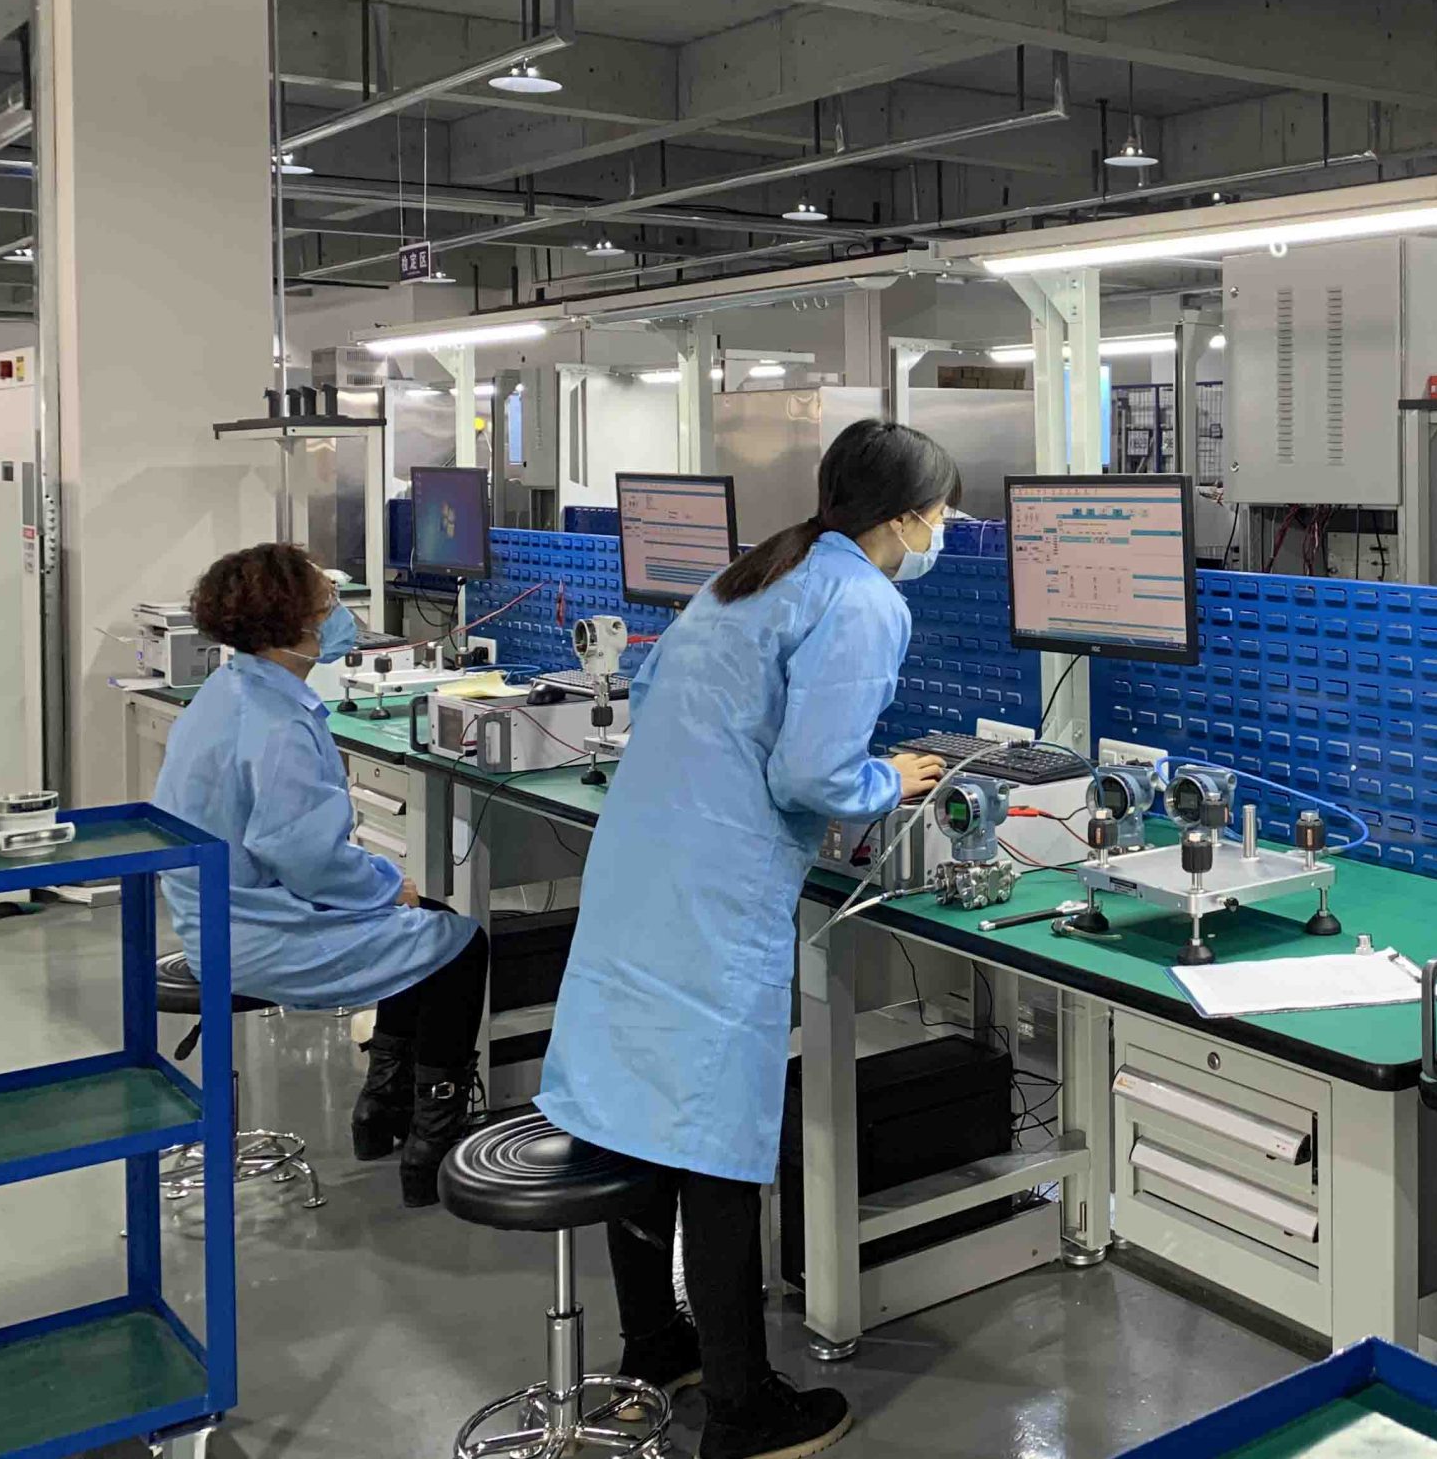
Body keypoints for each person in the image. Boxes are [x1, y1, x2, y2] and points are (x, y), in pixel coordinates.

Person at [536, 419, 954, 1459]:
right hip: (715, 888)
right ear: (906, 517)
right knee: (713, 1135)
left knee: (634, 1114)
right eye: (942, 512)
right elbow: (810, 774)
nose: (943, 530)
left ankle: (655, 1343)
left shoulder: (756, 570)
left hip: (641, 862)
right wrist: (890, 779)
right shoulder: (863, 598)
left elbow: (657, 698)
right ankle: (741, 1407)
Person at [154, 542, 489, 1206]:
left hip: (219, 915)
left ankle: (382, 1112)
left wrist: (384, 892)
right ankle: (431, 1147)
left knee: (422, 927)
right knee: (459, 943)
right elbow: (308, 858)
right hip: (257, 934)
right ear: (297, 622)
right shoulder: (276, 724)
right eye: (329, 601)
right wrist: (387, 884)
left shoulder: (230, 690)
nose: (340, 613)